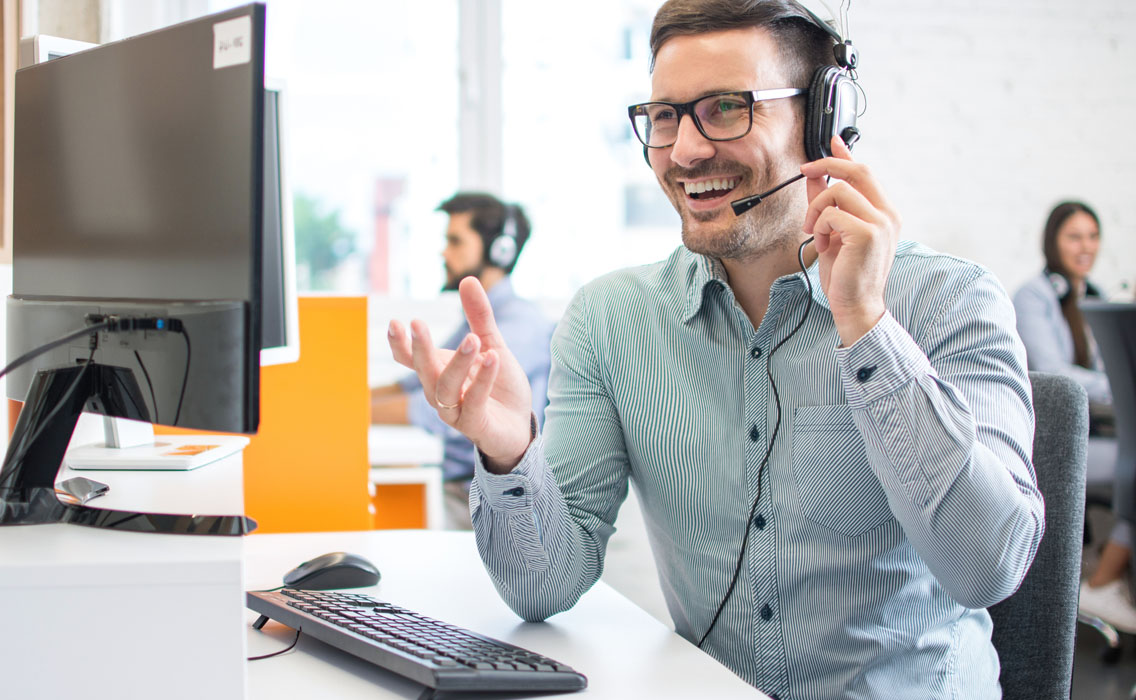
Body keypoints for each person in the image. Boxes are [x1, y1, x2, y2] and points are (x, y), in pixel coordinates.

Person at [387, 2, 1043, 697]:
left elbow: (988, 570)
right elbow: (542, 587)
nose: (687, 150)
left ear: (822, 122)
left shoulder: (951, 301)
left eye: (727, 107)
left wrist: (866, 326)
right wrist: (508, 449)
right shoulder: (612, 321)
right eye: (665, 116)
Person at [371, 192, 553, 530]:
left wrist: (343, 414)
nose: (444, 252)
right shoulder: (477, 319)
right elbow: (415, 382)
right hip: (454, 484)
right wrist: (345, 400)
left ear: (500, 251)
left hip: (482, 498)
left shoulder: (517, 327)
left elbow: (438, 408)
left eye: (455, 241)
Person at [1012, 202, 1133, 630]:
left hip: (1095, 432)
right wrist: (1123, 380)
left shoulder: (1094, 297)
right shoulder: (1035, 296)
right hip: (1052, 444)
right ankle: (1103, 581)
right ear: (1053, 242)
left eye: (1093, 236)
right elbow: (1056, 376)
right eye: (1074, 236)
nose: (1086, 247)